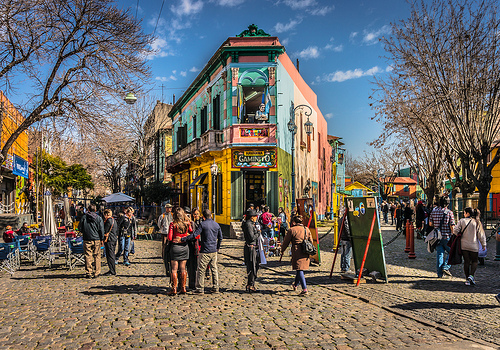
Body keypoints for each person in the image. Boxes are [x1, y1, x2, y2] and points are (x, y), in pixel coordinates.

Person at [181, 209, 223, 294]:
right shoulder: (216, 225)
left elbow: (195, 235)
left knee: (201, 270)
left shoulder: (202, 224)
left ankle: (200, 288)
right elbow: (220, 237)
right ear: (211, 215)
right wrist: (217, 247)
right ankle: (216, 287)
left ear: (203, 217)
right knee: (214, 269)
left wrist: (184, 238)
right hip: (213, 250)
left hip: (205, 250)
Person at [452, 208, 486, 286]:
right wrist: (483, 244)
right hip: (474, 245)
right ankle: (471, 275)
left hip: (464, 245)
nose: (464, 214)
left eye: (464, 213)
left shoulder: (462, 221)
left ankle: (467, 279)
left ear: (467, 213)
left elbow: (455, 231)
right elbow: (481, 235)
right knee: (474, 261)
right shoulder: (477, 222)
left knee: (466, 262)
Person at [281, 215, 312, 296]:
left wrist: (282, 250)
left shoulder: (292, 230)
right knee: (300, 268)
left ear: (294, 222)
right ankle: (295, 285)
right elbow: (311, 241)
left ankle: (304, 289)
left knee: (299, 269)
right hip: (305, 250)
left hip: (297, 250)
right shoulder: (306, 229)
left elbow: (286, 242)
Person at [167, 207, 192, 296]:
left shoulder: (172, 224)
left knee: (174, 269)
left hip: (175, 247)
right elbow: (192, 232)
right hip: (184, 247)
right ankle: (183, 287)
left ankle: (174, 288)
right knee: (183, 268)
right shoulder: (187, 224)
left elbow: (169, 238)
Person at [429, 196, 455, 278]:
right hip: (447, 236)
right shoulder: (449, 212)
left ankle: (439, 274)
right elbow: (452, 226)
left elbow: (430, 224)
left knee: (439, 255)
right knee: (452, 252)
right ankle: (446, 266)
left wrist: (436, 226)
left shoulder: (434, 211)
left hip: (437, 237)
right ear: (448, 203)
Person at [78, 204, 105, 279]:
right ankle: (97, 272)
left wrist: (84, 232)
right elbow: (101, 229)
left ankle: (89, 272)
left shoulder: (84, 217)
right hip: (96, 239)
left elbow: (80, 227)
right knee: (97, 256)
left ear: (88, 210)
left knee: (88, 256)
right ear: (95, 210)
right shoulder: (99, 218)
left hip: (87, 238)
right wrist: (102, 238)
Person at [242, 209, 261, 292]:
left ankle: (251, 283)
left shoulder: (251, 224)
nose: (256, 218)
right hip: (250, 248)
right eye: (255, 216)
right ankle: (250, 284)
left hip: (253, 247)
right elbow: (251, 237)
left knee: (255, 265)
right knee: (252, 267)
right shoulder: (248, 225)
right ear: (252, 217)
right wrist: (258, 233)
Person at [186, 207, 200, 291]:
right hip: (188, 247)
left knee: (192, 267)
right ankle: (190, 284)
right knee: (190, 267)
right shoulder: (190, 224)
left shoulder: (193, 224)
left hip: (191, 247)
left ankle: (191, 284)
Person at [158, 203, 173, 276]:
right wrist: (161, 229)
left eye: (170, 208)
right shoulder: (162, 215)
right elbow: (159, 223)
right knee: (164, 245)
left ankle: (169, 256)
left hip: (171, 233)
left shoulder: (172, 215)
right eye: (168, 208)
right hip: (164, 232)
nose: (169, 209)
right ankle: (164, 257)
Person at [102, 209, 118, 276]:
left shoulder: (108, 221)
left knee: (110, 255)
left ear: (106, 214)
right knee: (112, 254)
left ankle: (112, 270)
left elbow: (105, 230)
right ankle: (112, 269)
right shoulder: (114, 220)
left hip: (109, 240)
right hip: (114, 239)